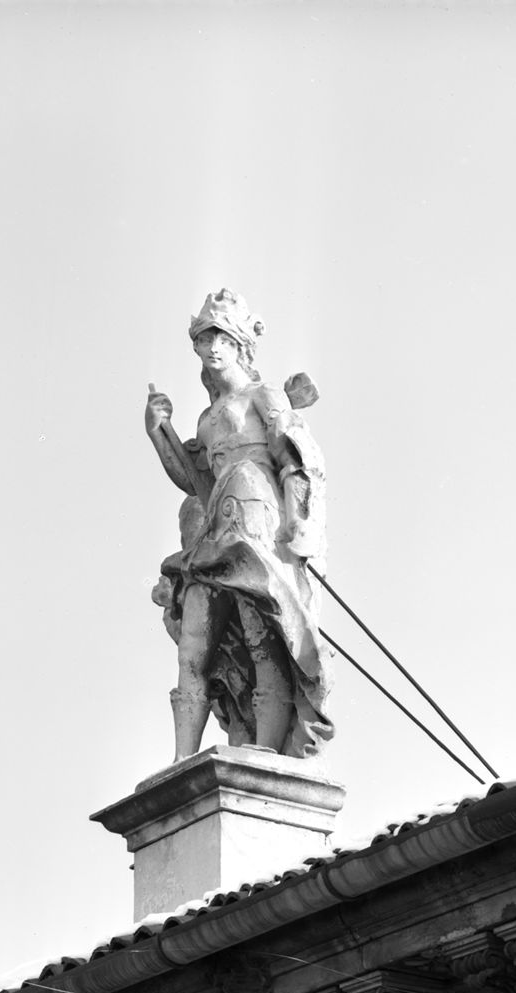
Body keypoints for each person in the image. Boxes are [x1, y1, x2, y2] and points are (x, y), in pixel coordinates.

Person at [145, 288, 333, 761]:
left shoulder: (263, 396)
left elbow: (295, 455)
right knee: (196, 642)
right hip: (215, 524)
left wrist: (302, 525)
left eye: (220, 339)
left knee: (260, 632)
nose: (211, 349)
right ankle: (182, 758)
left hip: (255, 517)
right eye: (204, 340)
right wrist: (159, 432)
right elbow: (195, 480)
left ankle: (266, 753)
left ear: (238, 345)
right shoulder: (208, 417)